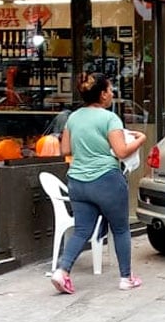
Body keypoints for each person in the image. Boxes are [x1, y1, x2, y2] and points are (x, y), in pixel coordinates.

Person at [52, 72, 147, 294]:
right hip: (106, 181)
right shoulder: (109, 118)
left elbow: (65, 150)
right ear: (103, 94)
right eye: (110, 89)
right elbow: (122, 151)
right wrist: (140, 139)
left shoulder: (73, 117)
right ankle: (126, 278)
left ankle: (62, 271)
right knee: (121, 229)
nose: (112, 93)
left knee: (81, 230)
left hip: (77, 181)